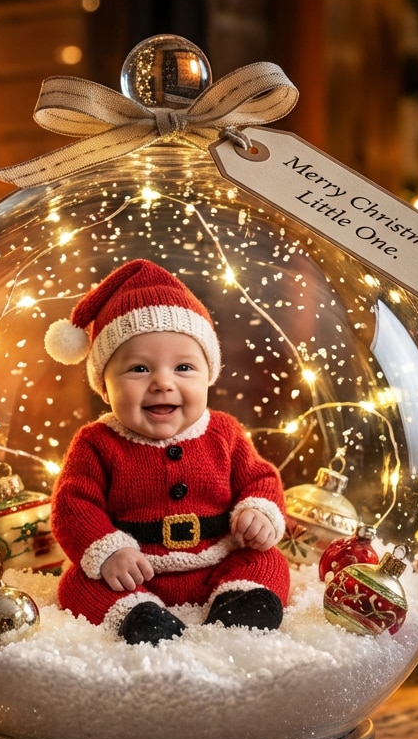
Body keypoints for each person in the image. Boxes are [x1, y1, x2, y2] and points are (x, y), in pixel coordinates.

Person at [46, 259, 290, 645]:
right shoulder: (96, 443)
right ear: (104, 387)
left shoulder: (223, 431)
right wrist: (110, 552)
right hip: (136, 571)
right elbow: (73, 506)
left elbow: (259, 478)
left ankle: (239, 600)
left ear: (208, 375)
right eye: (139, 369)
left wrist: (258, 511)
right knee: (77, 583)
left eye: (184, 367)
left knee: (268, 559)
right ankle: (137, 615)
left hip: (217, 561)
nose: (163, 382)